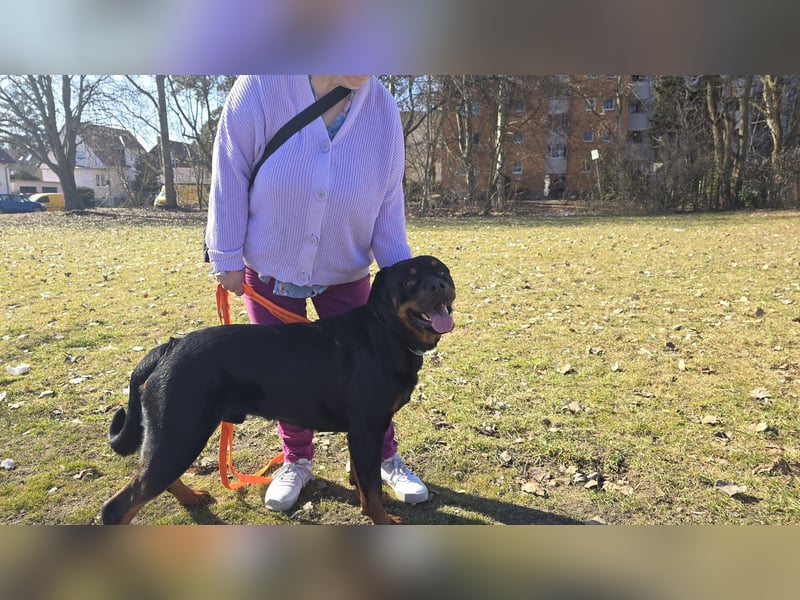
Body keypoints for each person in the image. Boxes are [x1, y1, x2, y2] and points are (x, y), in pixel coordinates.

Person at [205, 75, 429, 513]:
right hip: (270, 267)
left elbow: (388, 198)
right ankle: (297, 460)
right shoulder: (261, 86)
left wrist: (402, 278)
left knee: (374, 373)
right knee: (284, 375)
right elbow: (229, 168)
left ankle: (383, 457)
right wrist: (226, 254)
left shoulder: (381, 107)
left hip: (346, 269)